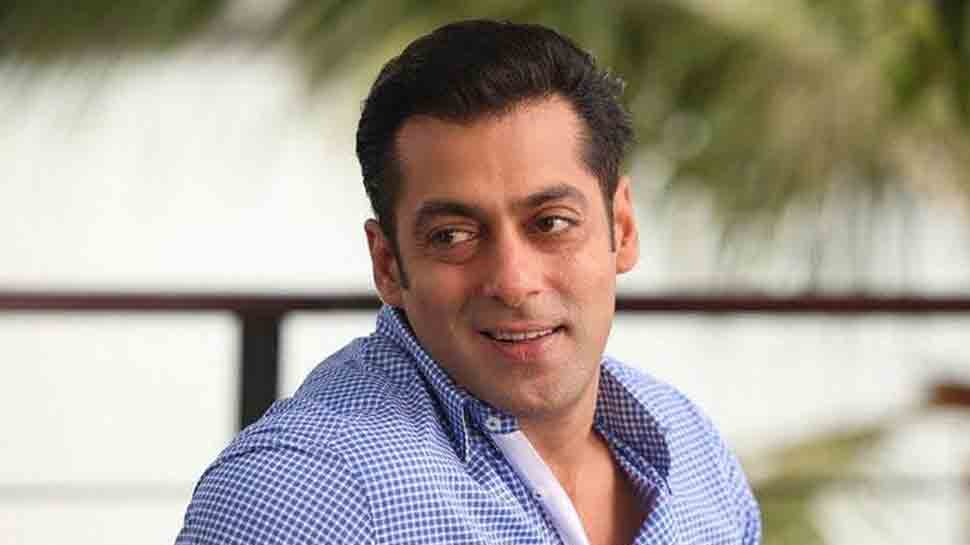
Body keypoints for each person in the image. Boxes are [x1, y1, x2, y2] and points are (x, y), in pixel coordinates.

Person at [176, 19, 760, 545]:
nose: (513, 282)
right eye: (453, 235)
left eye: (551, 223)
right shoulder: (303, 493)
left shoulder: (690, 450)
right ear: (388, 265)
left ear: (623, 228)